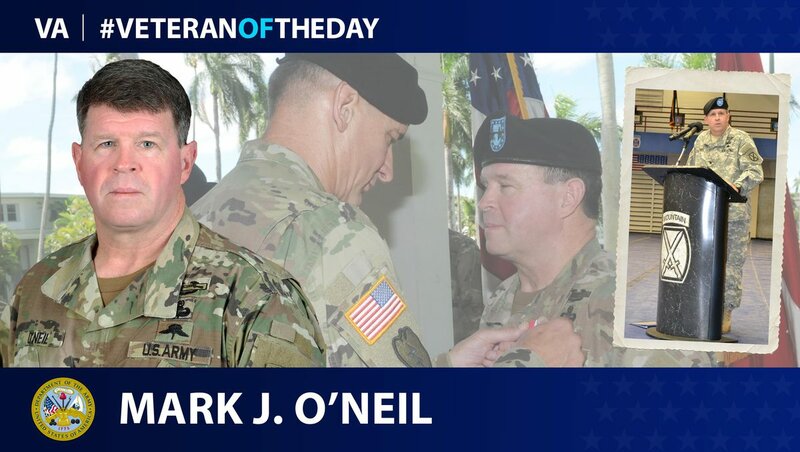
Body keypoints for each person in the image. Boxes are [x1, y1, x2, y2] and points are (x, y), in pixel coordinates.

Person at [192, 53, 583, 367]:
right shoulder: (333, 234)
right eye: (390, 138)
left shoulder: (192, 217)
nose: (388, 170)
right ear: (345, 106)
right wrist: (533, 363)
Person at [0, 59, 325, 368]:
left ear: (185, 162)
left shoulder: (258, 298)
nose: (124, 163)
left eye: (147, 144)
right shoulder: (36, 289)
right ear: (79, 161)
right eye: (106, 144)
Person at [476, 113, 720, 367]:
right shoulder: (501, 297)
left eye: (505, 186)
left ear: (568, 197)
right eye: (485, 186)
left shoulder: (630, 308)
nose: (484, 203)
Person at [686, 96, 764, 333]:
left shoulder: (741, 139)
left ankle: (725, 311)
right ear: (705, 119)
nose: (718, 118)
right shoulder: (700, 140)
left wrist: (737, 185)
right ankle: (702, 306)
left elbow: (755, 171)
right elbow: (691, 170)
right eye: (713, 115)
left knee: (731, 264)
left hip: (733, 215)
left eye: (722, 113)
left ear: (728, 116)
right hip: (705, 213)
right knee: (702, 260)